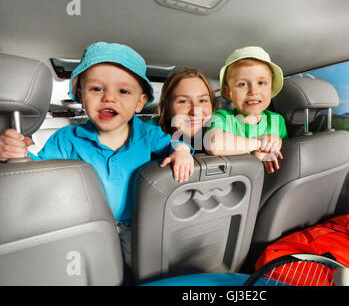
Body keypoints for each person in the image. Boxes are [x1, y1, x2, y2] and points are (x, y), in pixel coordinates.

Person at [0, 42, 194, 269]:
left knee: (144, 271)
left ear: (140, 102)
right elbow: (42, 172)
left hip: (138, 225)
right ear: (81, 97)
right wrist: (19, 155)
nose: (109, 98)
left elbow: (173, 145)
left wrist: (182, 151)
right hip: (87, 226)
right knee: (100, 273)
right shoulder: (67, 138)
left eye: (123, 91)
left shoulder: (149, 134)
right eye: (96, 89)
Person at [205, 46, 287, 173]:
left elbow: (285, 160)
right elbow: (214, 144)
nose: (253, 91)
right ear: (228, 92)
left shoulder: (277, 120)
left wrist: (278, 143)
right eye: (242, 84)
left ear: (270, 88)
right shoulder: (221, 117)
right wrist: (258, 144)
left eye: (261, 83)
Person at [156, 68, 216, 152]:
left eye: (202, 100)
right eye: (183, 101)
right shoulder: (148, 140)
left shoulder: (224, 134)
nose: (195, 111)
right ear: (167, 110)